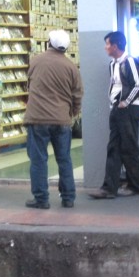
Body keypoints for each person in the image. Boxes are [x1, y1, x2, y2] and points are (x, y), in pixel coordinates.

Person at [23, 29, 83, 209]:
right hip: (62, 120)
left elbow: (28, 85)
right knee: (64, 159)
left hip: (38, 119)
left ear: (49, 43)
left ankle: (41, 199)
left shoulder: (36, 61)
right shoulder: (71, 67)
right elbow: (78, 95)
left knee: (38, 159)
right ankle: (68, 197)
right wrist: (71, 113)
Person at [89, 31, 139, 199]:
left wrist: (125, 102)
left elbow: (138, 85)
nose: (105, 47)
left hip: (128, 110)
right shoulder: (112, 64)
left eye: (107, 44)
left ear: (115, 46)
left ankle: (135, 185)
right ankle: (109, 188)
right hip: (117, 110)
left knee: (129, 148)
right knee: (113, 148)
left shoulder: (131, 62)